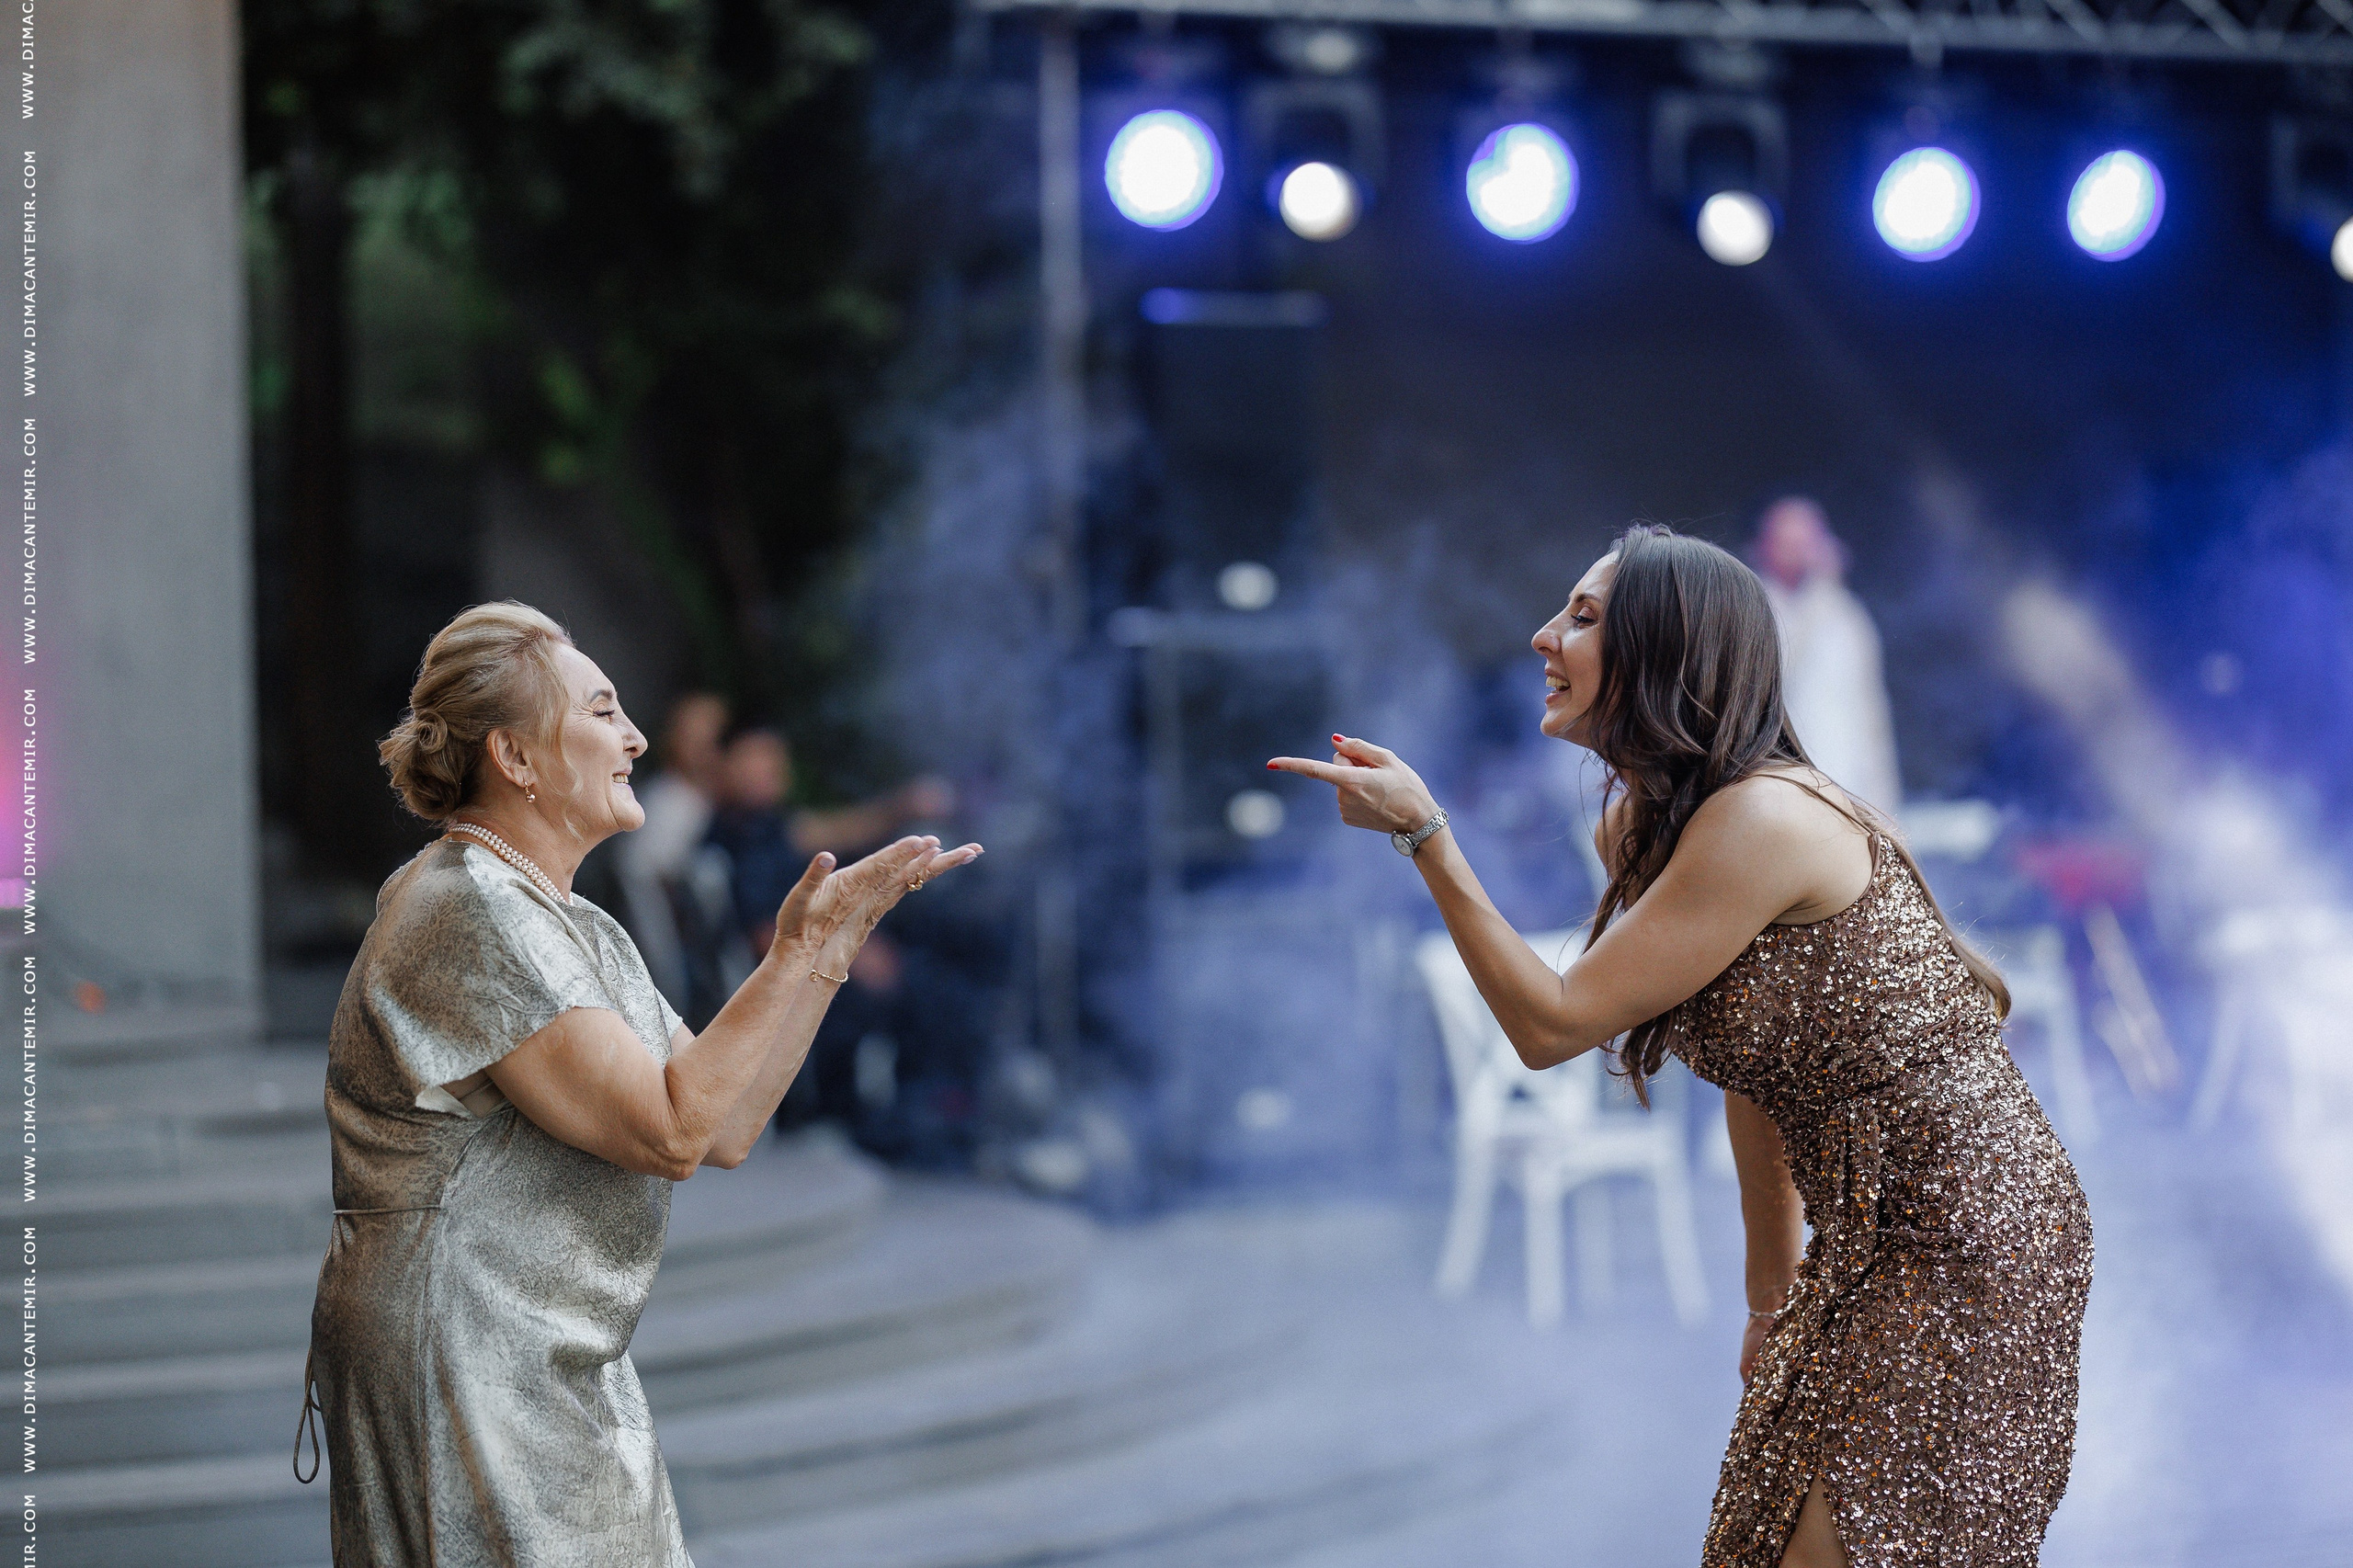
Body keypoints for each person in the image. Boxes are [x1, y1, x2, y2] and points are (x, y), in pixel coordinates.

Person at [1270, 525, 2090, 1568]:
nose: (1540, 636)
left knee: (1846, 1546)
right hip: (1863, 1244)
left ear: (1665, 653)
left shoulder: (1762, 819)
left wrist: (1424, 835)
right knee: (1762, 1538)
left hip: (1972, 1232)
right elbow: (1760, 1069)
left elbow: (1551, 1023)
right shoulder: (1648, 825)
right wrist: (1769, 1294)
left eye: (1581, 616)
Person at [297, 601, 980, 1563]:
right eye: (604, 710)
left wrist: (824, 953)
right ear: (517, 758)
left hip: (541, 1342)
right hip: (465, 1342)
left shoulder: (567, 917)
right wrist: (794, 952)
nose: (637, 737)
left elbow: (726, 1123)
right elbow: (669, 1127)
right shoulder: (471, 904)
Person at [1753, 497, 1904, 814]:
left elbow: (1871, 710)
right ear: (1765, 545)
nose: (1803, 552)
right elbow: (1777, 675)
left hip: (1852, 788)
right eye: (1789, 543)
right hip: (1786, 792)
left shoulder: (1847, 614)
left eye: (1809, 542)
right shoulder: (1754, 609)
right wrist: (1821, 588)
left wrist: (1886, 800)